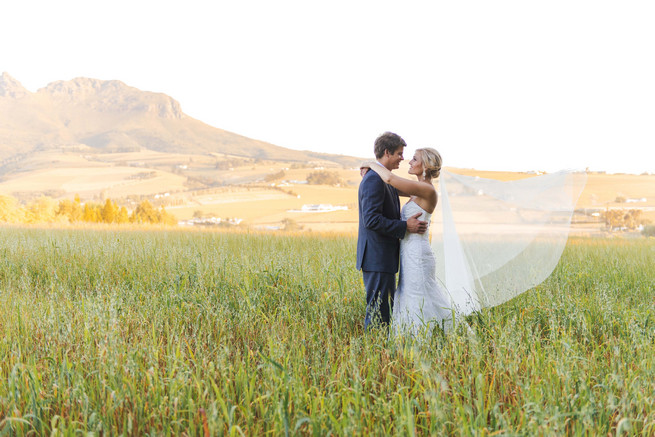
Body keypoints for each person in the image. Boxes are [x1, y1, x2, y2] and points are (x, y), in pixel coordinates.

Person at [360, 147, 452, 335]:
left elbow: (389, 179)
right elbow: (386, 186)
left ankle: (421, 339)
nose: (409, 162)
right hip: (408, 252)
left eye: (414, 159)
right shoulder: (415, 191)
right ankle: (419, 335)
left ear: (425, 165)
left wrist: (370, 164)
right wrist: (370, 176)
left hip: (417, 253)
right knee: (410, 294)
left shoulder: (426, 189)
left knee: (417, 296)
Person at [357, 132, 428, 330]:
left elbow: (412, 190)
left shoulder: (385, 180)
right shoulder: (373, 180)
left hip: (384, 257)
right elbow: (371, 220)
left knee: (384, 309)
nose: (403, 158)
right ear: (387, 152)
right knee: (378, 311)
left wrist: (371, 164)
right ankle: (374, 353)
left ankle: (379, 350)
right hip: (376, 256)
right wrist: (405, 226)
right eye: (399, 153)